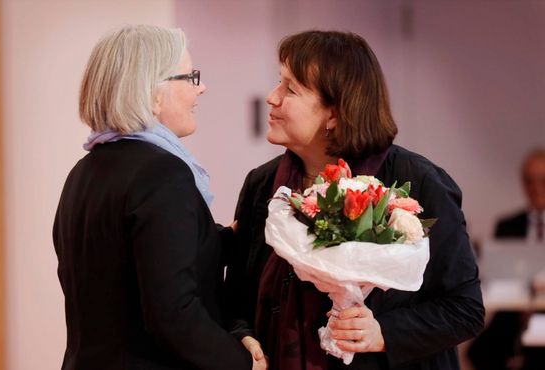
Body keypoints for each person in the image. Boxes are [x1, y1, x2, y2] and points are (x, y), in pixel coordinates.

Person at [225, 30, 485, 370]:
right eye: (278, 83)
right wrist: (243, 336)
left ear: (334, 113)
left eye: (290, 89)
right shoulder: (263, 185)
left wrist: (382, 333)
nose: (272, 98)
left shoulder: (417, 181)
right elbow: (236, 299)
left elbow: (464, 309)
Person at [53, 25, 265, 370]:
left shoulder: (84, 171)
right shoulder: (162, 175)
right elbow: (173, 314)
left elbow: (126, 265)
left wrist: (224, 240)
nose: (201, 88)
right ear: (153, 92)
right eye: (190, 77)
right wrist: (242, 363)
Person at [468, 149, 545, 370]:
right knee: (481, 351)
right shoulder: (507, 225)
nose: (536, 188)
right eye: (530, 181)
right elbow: (496, 273)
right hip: (513, 311)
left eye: (542, 180)